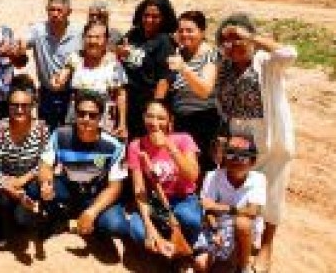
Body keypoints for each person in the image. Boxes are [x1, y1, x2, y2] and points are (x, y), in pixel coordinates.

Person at [215, 13, 296, 272]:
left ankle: (266, 248)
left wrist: (253, 39)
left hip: (270, 136)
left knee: (272, 191)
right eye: (226, 39)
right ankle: (241, 243)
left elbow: (289, 54)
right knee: (241, 188)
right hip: (238, 134)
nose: (232, 45)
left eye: (236, 38)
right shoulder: (224, 65)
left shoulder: (264, 62)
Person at [30, 92, 130, 241]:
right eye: (81, 114)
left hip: (96, 193)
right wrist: (46, 184)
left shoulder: (114, 146)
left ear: (100, 117)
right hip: (69, 186)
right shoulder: (60, 135)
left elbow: (115, 187)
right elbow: (45, 164)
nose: (86, 119)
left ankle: (92, 224)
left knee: (117, 226)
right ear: (75, 114)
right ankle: (57, 216)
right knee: (34, 187)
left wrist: (92, 212)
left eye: (92, 115)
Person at [127, 99, 202, 257]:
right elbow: (139, 190)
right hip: (155, 202)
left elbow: (192, 176)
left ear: (170, 120)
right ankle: (167, 245)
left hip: (183, 198)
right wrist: (149, 227)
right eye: (150, 116)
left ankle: (177, 244)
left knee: (189, 220)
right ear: (143, 118)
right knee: (137, 232)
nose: (154, 123)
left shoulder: (183, 139)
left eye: (161, 118)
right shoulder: (136, 146)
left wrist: (169, 146)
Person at [0, 75, 49, 247]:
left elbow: (43, 164)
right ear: (8, 106)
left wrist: (23, 180)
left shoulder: (42, 130)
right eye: (15, 105)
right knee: (3, 200)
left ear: (33, 106)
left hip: (27, 179)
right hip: (1, 181)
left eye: (25, 106)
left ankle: (22, 215)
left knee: (24, 216)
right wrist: (12, 189)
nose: (19, 110)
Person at [193, 127, 266, 273]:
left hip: (244, 236)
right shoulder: (212, 176)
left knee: (242, 222)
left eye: (243, 155)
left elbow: (252, 211)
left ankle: (244, 266)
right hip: (217, 231)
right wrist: (215, 230)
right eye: (231, 153)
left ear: (253, 161)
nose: (235, 160)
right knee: (200, 265)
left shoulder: (258, 179)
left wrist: (220, 207)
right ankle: (228, 260)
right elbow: (208, 210)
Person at [51, 21, 128, 140]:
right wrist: (57, 82)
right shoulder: (75, 58)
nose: (92, 41)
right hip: (77, 116)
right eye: (89, 37)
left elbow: (120, 94)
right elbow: (62, 76)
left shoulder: (113, 63)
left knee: (99, 156)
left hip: (103, 120)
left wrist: (122, 123)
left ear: (106, 40)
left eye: (97, 37)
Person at [18, 0, 82, 132]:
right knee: (46, 132)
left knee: (69, 133)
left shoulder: (78, 33)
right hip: (47, 93)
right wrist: (18, 47)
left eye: (59, 10)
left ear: (69, 12)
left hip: (72, 94)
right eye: (51, 10)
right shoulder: (38, 30)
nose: (54, 14)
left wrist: (69, 69)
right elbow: (23, 43)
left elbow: (85, 55)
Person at [167, 11, 221, 174]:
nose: (184, 34)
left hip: (204, 122)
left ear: (202, 32)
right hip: (181, 120)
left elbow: (204, 90)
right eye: (181, 30)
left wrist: (184, 68)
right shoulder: (179, 53)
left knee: (203, 168)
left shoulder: (211, 55)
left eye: (190, 30)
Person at [117, 0, 177, 138]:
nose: (149, 20)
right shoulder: (133, 34)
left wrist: (155, 110)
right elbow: (118, 51)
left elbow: (164, 79)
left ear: (164, 18)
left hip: (148, 103)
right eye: (146, 15)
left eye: (155, 16)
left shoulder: (165, 42)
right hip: (127, 101)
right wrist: (120, 51)